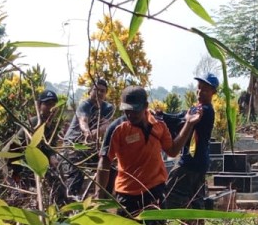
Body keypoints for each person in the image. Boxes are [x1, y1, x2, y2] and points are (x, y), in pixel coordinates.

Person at [95, 86, 201, 216]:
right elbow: (104, 161)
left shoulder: (159, 124)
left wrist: (189, 124)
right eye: (126, 110)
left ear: (145, 106)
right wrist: (99, 198)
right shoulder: (117, 129)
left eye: (134, 111)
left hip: (155, 191)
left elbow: (172, 151)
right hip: (127, 194)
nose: (130, 115)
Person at [165, 73, 218, 209]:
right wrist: (163, 115)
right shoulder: (200, 108)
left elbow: (180, 121)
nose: (200, 92)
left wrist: (162, 118)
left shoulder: (203, 110)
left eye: (205, 90)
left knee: (169, 195)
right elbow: (181, 116)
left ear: (213, 92)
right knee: (195, 199)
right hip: (200, 161)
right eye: (199, 88)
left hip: (190, 162)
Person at [65, 78, 115, 145]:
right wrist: (86, 131)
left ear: (105, 94)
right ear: (90, 91)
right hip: (72, 141)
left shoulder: (108, 108)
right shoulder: (85, 105)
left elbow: (106, 124)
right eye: (96, 90)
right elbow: (83, 121)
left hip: (89, 144)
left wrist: (98, 131)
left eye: (102, 91)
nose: (99, 93)